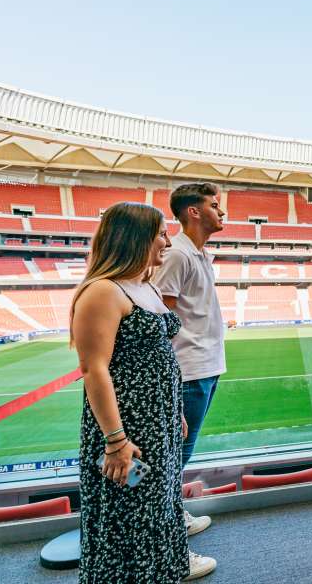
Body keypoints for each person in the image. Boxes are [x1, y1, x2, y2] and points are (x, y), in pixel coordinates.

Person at [71, 202, 216, 583]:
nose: (167, 241)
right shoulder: (103, 292)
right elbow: (94, 369)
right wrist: (116, 442)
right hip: (128, 428)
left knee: (160, 507)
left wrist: (174, 413)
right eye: (160, 234)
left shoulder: (144, 286)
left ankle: (163, 572)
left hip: (159, 424)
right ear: (135, 239)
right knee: (128, 516)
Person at [152, 183, 226, 536]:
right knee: (175, 454)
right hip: (189, 371)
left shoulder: (198, 254)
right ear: (193, 212)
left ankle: (170, 514)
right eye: (215, 205)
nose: (221, 212)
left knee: (181, 454)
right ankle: (163, 526)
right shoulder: (178, 255)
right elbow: (160, 321)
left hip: (207, 366)